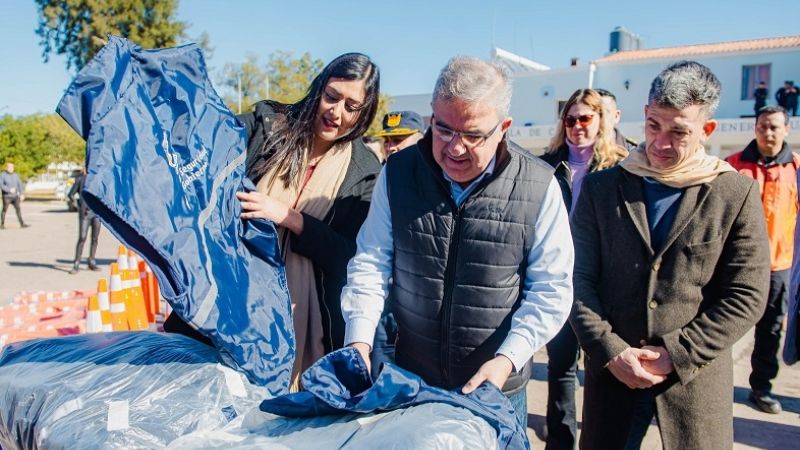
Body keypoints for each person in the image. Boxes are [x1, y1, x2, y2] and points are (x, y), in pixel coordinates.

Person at [341, 56, 574, 431]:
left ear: (503, 128)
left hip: (496, 388)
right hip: (412, 380)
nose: (455, 148)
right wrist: (359, 341)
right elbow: (371, 261)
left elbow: (551, 289)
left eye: (473, 135)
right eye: (443, 129)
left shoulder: (539, 186)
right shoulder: (398, 174)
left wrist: (507, 359)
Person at [570, 61, 770, 449]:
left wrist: (677, 354)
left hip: (695, 383)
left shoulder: (734, 194)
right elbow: (576, 280)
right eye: (654, 126)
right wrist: (611, 350)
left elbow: (747, 295)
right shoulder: (601, 189)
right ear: (645, 114)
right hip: (614, 379)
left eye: (679, 132)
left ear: (707, 130)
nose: (661, 143)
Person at [165, 53, 382, 392]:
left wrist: (289, 218)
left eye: (352, 107)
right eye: (332, 96)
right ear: (319, 89)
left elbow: (349, 257)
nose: (336, 112)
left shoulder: (365, 171)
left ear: (364, 113)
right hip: (227, 297)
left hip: (300, 320)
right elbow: (204, 141)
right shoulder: (268, 125)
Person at [540, 88, 627, 450]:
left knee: (600, 370)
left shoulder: (621, 166)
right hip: (559, 279)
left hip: (601, 285)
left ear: (601, 120)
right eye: (570, 119)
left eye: (585, 118)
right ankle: (560, 442)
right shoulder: (547, 165)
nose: (577, 126)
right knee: (560, 366)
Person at [725, 105, 796, 414]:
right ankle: (710, 387)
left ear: (786, 130)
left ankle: (761, 388)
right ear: (754, 128)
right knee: (723, 324)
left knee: (771, 330)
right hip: (735, 265)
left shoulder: (796, 168)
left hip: (779, 265)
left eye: (774, 127)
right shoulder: (732, 165)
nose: (768, 132)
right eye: (763, 126)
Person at [68, 168, 102, 274]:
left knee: (95, 238)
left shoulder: (99, 179)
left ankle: (91, 261)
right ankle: (76, 263)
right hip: (85, 213)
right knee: (82, 238)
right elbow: (70, 194)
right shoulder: (81, 179)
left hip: (97, 213)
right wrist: (78, 205)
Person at [0, 163, 29, 229]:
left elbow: (19, 184)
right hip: (7, 196)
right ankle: (2, 224)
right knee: (4, 210)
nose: (11, 169)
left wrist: (21, 194)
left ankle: (22, 224)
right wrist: (9, 190)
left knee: (18, 209)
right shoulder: (2, 175)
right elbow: (1, 185)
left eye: (12, 167)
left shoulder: (16, 175)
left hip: (15, 196)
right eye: (10, 167)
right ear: (6, 168)